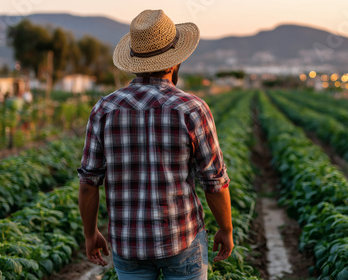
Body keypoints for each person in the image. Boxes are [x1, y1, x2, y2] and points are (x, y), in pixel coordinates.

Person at [77, 9, 233, 280]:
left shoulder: (104, 109)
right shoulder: (192, 109)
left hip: (128, 245)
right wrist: (226, 229)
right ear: (174, 62)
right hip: (181, 239)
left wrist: (90, 234)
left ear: (133, 60)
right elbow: (215, 182)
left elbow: (89, 183)